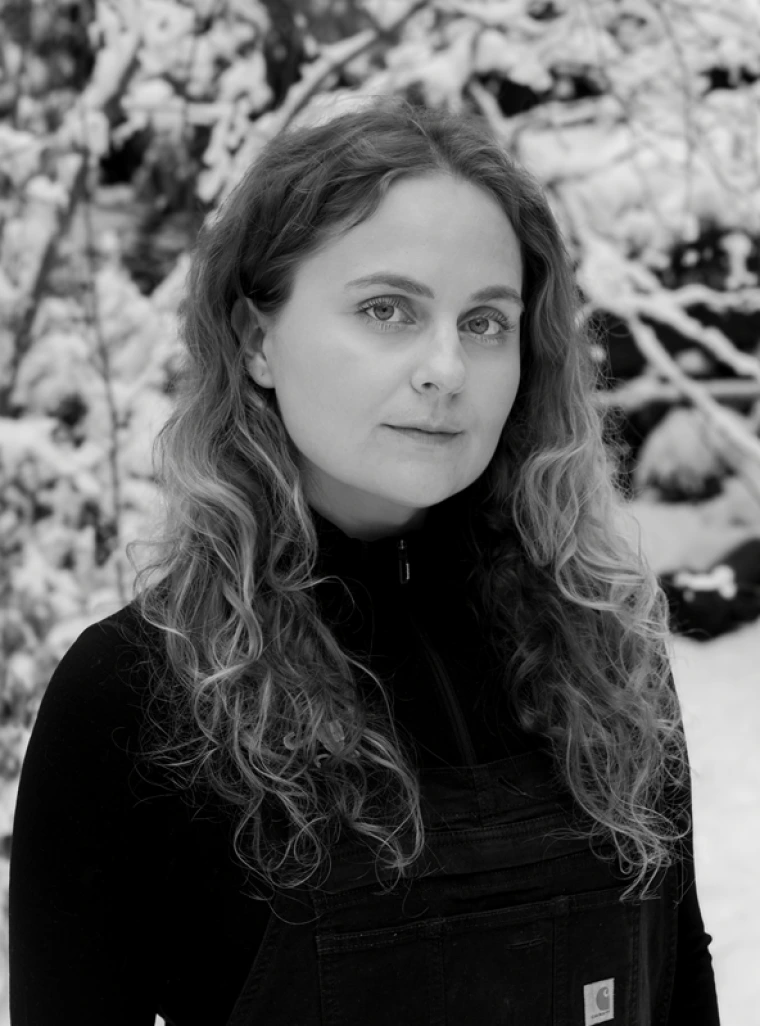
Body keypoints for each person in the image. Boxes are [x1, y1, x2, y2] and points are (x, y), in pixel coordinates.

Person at [9, 95, 720, 1025]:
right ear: (257, 338)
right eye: (388, 310)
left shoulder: (607, 660)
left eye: (485, 322)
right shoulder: (135, 696)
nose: (446, 369)